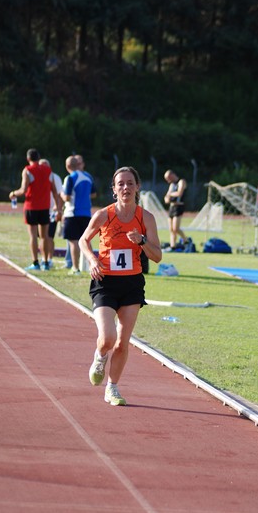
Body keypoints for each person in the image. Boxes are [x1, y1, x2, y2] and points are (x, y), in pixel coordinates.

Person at [79, 166, 162, 406]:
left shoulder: (146, 218)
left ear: (137, 187)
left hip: (132, 283)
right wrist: (93, 260)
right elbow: (84, 240)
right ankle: (99, 356)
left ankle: (112, 388)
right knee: (107, 338)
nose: (125, 187)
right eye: (121, 184)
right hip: (104, 281)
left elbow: (157, 256)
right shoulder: (104, 215)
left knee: (123, 342)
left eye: (130, 183)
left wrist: (142, 240)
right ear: (114, 190)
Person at [9, 149, 61, 271]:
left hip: (31, 207)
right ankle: (46, 262)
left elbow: (23, 189)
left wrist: (13, 193)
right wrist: (57, 206)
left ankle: (35, 263)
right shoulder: (48, 170)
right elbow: (54, 190)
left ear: (28, 159)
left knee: (33, 236)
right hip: (44, 207)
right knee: (45, 236)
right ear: (39, 158)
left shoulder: (27, 170)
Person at [61, 154, 96, 275]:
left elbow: (67, 197)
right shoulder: (88, 176)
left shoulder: (70, 178)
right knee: (87, 240)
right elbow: (93, 194)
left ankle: (75, 268)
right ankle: (92, 266)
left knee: (73, 241)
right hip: (86, 213)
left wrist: (61, 194)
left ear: (68, 166)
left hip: (73, 213)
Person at [39, 159, 63, 268]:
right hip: (41, 210)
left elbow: (59, 194)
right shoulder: (37, 176)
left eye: (45, 166)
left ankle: (49, 259)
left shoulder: (55, 177)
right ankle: (43, 258)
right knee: (42, 236)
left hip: (52, 211)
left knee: (49, 237)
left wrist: (58, 209)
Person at [163, 169, 187, 249]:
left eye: (168, 178)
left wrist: (170, 195)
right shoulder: (172, 185)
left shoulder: (181, 182)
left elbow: (179, 193)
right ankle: (172, 246)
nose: (168, 181)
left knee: (175, 228)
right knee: (171, 229)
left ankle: (186, 240)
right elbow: (166, 197)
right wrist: (167, 198)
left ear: (172, 175)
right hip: (172, 207)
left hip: (179, 206)